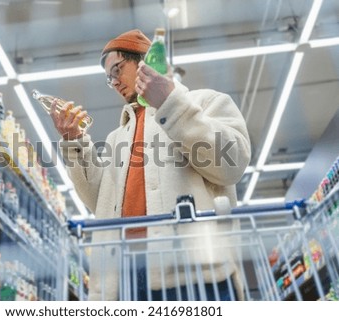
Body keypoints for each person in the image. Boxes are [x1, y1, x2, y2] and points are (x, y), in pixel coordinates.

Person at [50, 29, 251, 300]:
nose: (115, 82)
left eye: (118, 70)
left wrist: (171, 104)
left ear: (144, 61)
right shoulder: (116, 138)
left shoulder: (206, 102)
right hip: (125, 279)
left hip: (193, 274)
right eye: (109, 78)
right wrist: (75, 142)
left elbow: (232, 164)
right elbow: (100, 203)